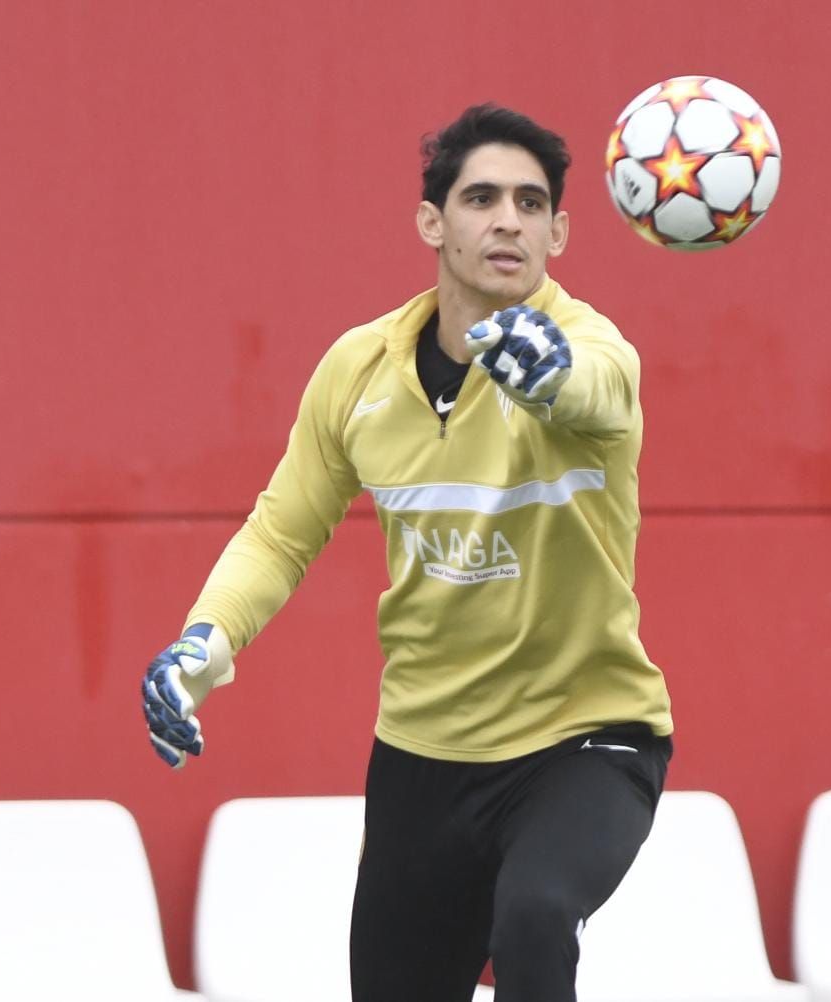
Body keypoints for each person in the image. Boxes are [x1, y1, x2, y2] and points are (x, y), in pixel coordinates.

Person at [140, 103, 674, 1001]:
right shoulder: (358, 370)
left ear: (560, 232)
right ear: (433, 221)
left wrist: (553, 378)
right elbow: (281, 532)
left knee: (537, 921)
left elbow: (600, 393)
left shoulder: (589, 349)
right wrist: (205, 642)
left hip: (586, 741)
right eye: (482, 198)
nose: (509, 219)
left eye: (532, 203)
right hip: (423, 757)